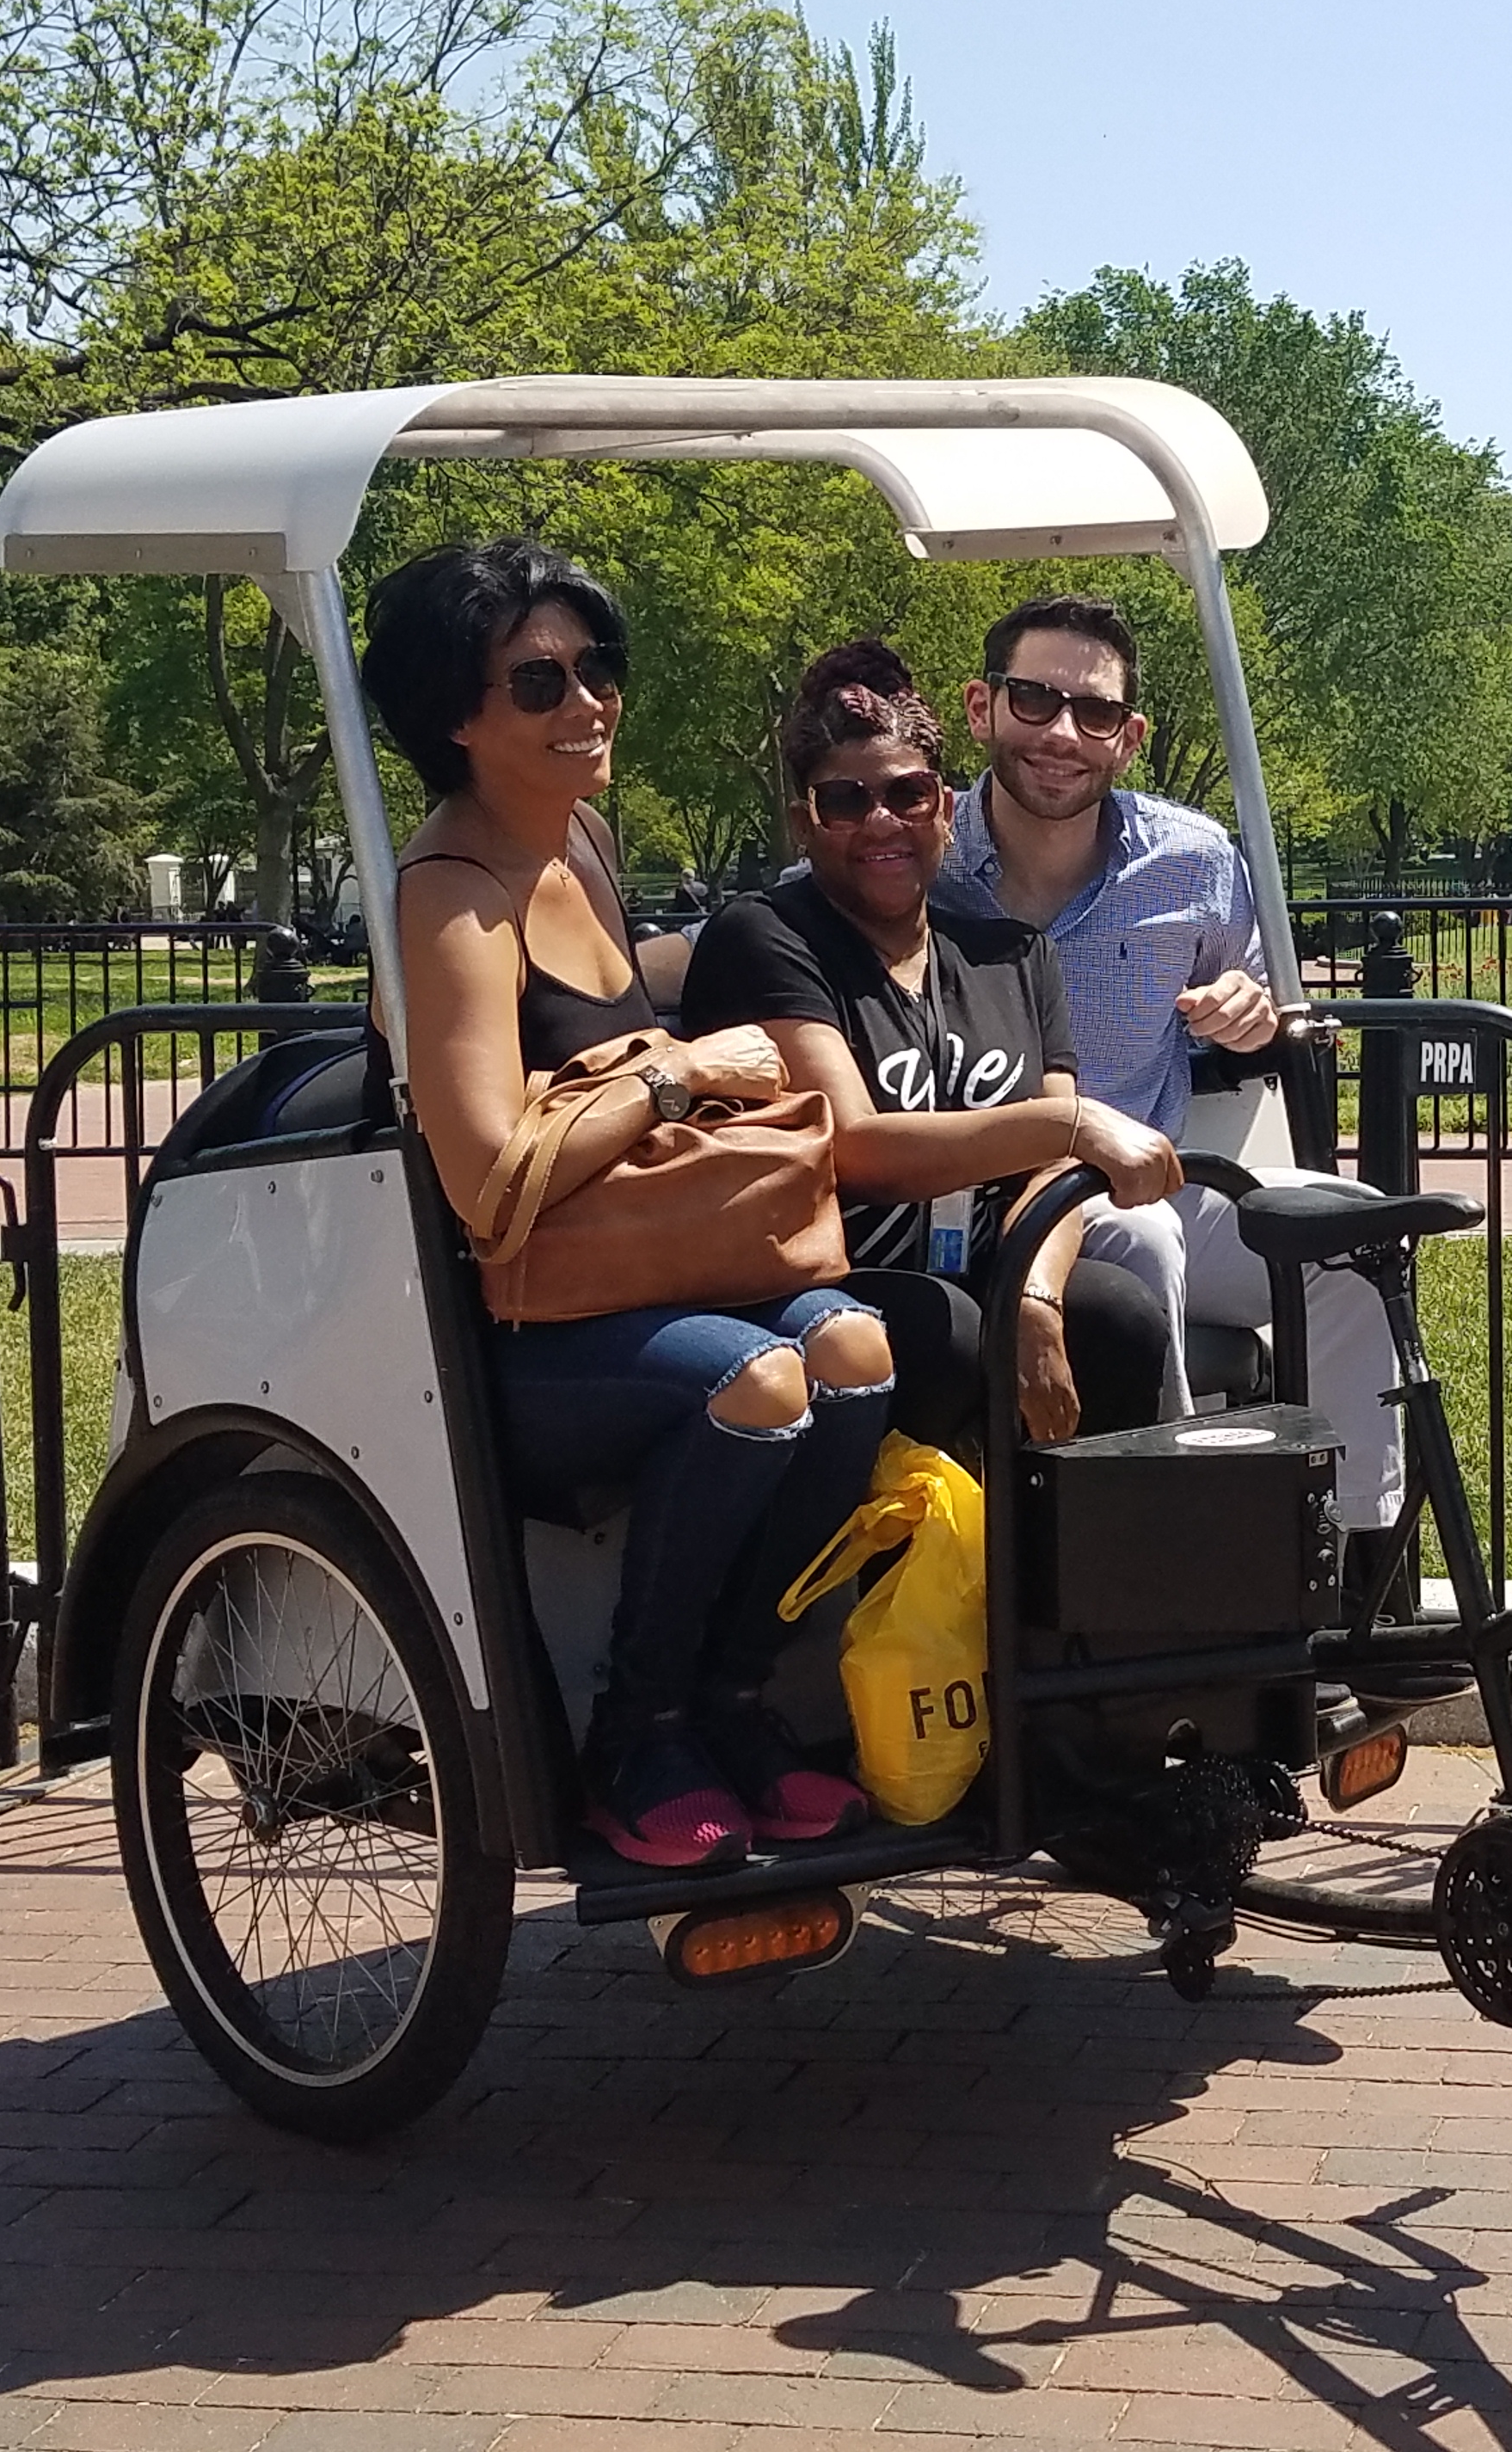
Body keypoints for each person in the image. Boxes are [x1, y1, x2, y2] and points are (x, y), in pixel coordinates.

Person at [369, 539, 893, 1875]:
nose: (588, 701)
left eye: (598, 666)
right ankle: (636, 1731)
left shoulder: (582, 842)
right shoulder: (450, 898)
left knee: (854, 1348)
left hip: (657, 1278)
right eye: (538, 682)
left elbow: (626, 1007)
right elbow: (487, 1181)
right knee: (758, 1381)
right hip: (531, 1331)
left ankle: (736, 1696)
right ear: (454, 714)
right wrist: (676, 1075)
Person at [932, 593, 1405, 1588]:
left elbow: (1265, 1003)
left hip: (1146, 1181)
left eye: (1095, 711)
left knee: (1354, 1234)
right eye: (1035, 699)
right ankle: (1183, 1571)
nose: (1063, 733)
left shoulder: (1191, 860)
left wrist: (1251, 1011)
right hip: (964, 1204)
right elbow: (771, 935)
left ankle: (1357, 1572)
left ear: (1130, 736)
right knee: (1144, 1239)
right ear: (981, 707)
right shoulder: (915, 854)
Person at [678, 640, 1181, 1453]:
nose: (882, 820)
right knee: (948, 1334)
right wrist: (1072, 1122)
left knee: (1117, 1317)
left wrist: (1034, 1296)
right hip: (822, 1283)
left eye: (907, 794)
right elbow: (855, 1148)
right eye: (846, 801)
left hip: (986, 1266)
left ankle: (1093, 1539)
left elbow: (1053, 1175)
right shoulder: (767, 938)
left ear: (944, 809)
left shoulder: (1014, 957)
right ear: (804, 824)